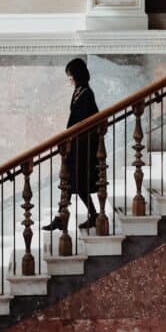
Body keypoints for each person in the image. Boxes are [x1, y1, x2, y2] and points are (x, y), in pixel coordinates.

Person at [43, 58, 101, 231]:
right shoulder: (79, 91)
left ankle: (86, 215)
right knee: (70, 181)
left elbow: (85, 122)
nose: (69, 79)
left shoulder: (86, 94)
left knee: (75, 182)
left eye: (71, 75)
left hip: (82, 148)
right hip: (75, 146)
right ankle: (65, 216)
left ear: (77, 75)